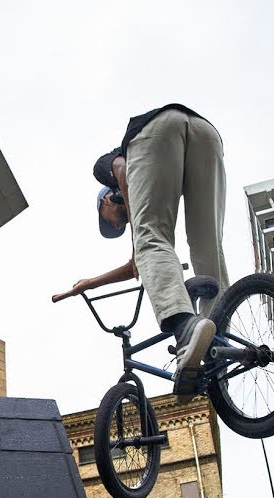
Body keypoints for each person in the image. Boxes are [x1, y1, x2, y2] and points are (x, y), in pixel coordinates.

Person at [53, 104, 230, 398]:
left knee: (151, 237)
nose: (121, 225)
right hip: (206, 133)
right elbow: (135, 266)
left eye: (114, 222)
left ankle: (184, 326)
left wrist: (138, 237)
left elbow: (122, 171)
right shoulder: (144, 198)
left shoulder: (105, 168)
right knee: (208, 246)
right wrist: (86, 285)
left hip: (156, 131)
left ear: (107, 201)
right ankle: (216, 351)